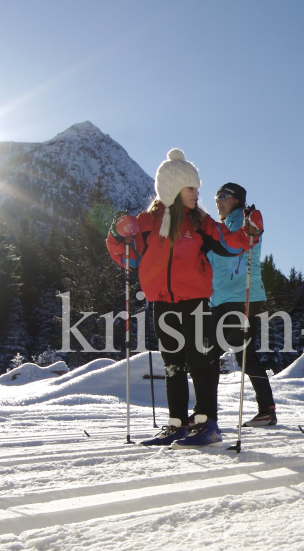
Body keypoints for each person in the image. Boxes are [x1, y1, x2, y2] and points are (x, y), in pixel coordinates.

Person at [106, 149, 261, 447]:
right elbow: (129, 257)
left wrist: (250, 231)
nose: (197, 193)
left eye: (197, 187)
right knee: (172, 364)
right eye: (191, 187)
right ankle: (176, 423)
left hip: (195, 301)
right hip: (162, 303)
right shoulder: (147, 223)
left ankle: (207, 423)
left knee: (200, 360)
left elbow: (230, 244)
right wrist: (117, 234)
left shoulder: (201, 223)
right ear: (173, 188)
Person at [208, 183, 277, 426]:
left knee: (238, 354)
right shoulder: (225, 225)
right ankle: (265, 409)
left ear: (236, 200)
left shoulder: (245, 221)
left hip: (241, 296)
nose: (218, 200)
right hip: (222, 297)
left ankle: (208, 414)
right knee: (240, 355)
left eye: (223, 196)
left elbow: (234, 245)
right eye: (216, 196)